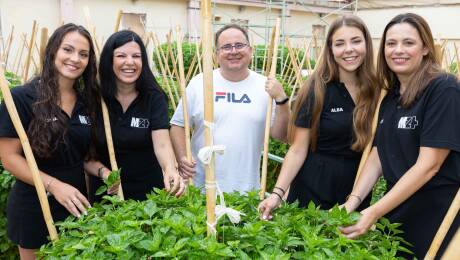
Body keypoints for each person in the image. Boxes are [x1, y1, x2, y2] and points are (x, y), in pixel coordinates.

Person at [340, 13, 460, 259]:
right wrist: (353, 201)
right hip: (398, 209)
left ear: (426, 47)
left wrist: (373, 212)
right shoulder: (391, 96)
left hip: (436, 212)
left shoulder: (443, 89)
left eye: (409, 43)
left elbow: (429, 166)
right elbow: (378, 155)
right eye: (391, 43)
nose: (398, 50)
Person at [258, 15, 378, 218]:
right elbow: (297, 149)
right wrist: (277, 194)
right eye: (340, 43)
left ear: (367, 43)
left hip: (356, 188)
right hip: (312, 188)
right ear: (331, 50)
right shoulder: (317, 89)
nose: (349, 49)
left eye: (356, 41)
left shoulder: (378, 90)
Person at [0, 24, 99, 259]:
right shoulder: (22, 98)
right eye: (68, 49)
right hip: (35, 203)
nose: (75, 59)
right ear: (53, 50)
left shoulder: (87, 102)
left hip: (76, 203)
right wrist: (54, 186)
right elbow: (9, 157)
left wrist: (105, 173)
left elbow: (83, 155)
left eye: (83, 54)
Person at [170, 24, 289, 193]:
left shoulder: (266, 87)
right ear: (216, 54)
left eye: (239, 45)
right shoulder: (200, 82)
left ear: (250, 50)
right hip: (201, 188)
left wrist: (282, 100)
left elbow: (281, 136)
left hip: (247, 192)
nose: (233, 51)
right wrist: (182, 157)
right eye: (226, 47)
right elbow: (178, 124)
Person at [87, 30, 184, 202]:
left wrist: (170, 169)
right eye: (121, 56)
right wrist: (105, 174)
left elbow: (162, 143)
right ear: (110, 60)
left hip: (148, 194)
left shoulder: (153, 96)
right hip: (107, 193)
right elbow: (84, 154)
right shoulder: (94, 97)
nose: (129, 62)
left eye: (136, 56)